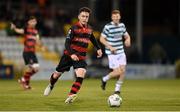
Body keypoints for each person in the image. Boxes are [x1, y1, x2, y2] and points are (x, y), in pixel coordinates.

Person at [43, 7, 102, 104]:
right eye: (83, 16)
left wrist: (98, 48)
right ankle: (51, 85)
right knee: (56, 75)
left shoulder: (90, 29)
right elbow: (67, 43)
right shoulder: (73, 28)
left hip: (81, 57)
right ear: (79, 17)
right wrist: (72, 54)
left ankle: (71, 95)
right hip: (68, 55)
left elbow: (92, 38)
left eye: (87, 17)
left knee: (81, 74)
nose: (85, 18)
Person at [100, 10, 131, 95]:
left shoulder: (122, 26)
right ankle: (104, 79)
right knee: (118, 71)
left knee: (123, 71)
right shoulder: (108, 27)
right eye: (114, 17)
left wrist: (128, 40)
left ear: (119, 17)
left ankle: (117, 89)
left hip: (121, 52)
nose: (116, 18)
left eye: (117, 17)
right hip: (112, 53)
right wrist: (110, 47)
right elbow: (101, 39)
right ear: (112, 18)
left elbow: (127, 36)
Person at [10, 16, 45, 90]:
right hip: (27, 52)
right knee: (32, 68)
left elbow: (38, 41)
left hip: (33, 53)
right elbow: (20, 31)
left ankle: (25, 83)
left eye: (35, 21)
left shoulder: (36, 31)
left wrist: (41, 46)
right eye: (32, 21)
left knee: (35, 69)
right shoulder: (26, 29)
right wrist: (14, 28)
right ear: (29, 22)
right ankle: (23, 81)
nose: (34, 23)